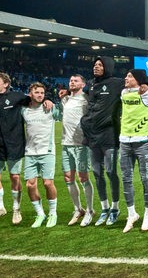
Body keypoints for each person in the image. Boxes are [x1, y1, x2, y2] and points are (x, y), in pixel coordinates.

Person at [0, 72, 46, 225]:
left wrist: (47, 101)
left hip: (14, 144)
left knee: (15, 177)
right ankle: (0, 208)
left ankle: (16, 208)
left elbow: (35, 100)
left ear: (6, 84)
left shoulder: (16, 97)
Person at [119, 69, 148, 233]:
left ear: (138, 79)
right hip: (124, 141)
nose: (126, 77)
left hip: (143, 142)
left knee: (146, 178)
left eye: (130, 76)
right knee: (126, 179)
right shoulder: (124, 92)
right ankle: (132, 214)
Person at [80, 57, 124, 226]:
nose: (96, 67)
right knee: (97, 174)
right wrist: (67, 92)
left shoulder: (116, 83)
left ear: (108, 67)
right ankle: (104, 208)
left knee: (111, 172)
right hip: (92, 136)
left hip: (109, 136)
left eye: (100, 65)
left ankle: (115, 208)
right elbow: (80, 91)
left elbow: (138, 84)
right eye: (95, 64)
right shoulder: (91, 84)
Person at [22, 82, 62, 228]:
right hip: (30, 152)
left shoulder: (50, 108)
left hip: (47, 151)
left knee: (47, 183)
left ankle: (53, 213)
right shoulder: (24, 110)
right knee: (30, 185)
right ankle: (40, 214)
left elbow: (64, 113)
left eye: (42, 93)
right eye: (37, 92)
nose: (40, 95)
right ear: (30, 94)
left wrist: (54, 102)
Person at [59, 74, 94, 226]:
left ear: (83, 84)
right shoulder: (65, 99)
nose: (72, 82)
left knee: (83, 177)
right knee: (68, 177)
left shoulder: (87, 99)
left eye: (76, 80)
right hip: (66, 144)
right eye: (71, 80)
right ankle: (78, 209)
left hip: (81, 144)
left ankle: (90, 210)